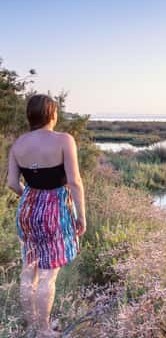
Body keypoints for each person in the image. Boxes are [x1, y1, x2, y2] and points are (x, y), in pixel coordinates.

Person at [7, 94, 86, 338]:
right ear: (51, 114)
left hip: (28, 208)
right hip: (56, 208)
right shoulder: (64, 140)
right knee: (48, 275)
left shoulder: (18, 144)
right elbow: (74, 181)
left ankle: (33, 326)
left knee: (28, 270)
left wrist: (31, 199)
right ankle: (43, 331)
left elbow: (12, 183)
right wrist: (81, 216)